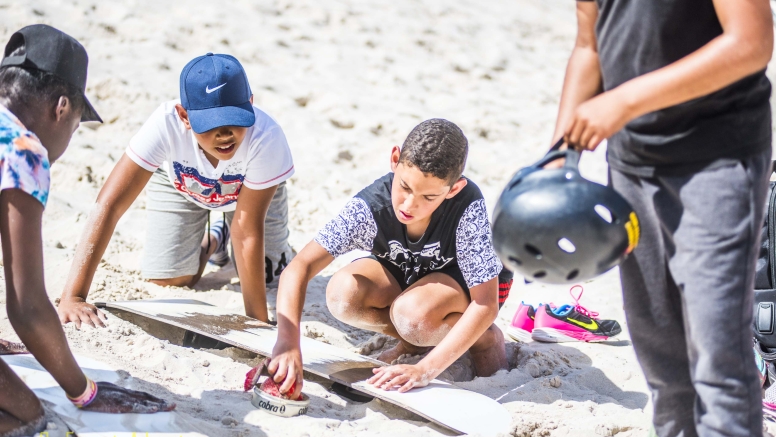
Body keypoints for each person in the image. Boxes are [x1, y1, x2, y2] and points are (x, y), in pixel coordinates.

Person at [554, 0, 773, 435]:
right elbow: (588, 45)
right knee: (665, 364)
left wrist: (624, 99)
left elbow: (752, 41)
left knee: (718, 361)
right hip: (633, 165)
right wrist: (559, 154)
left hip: (718, 160)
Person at [0, 25, 174, 437]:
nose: (66, 141)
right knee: (30, 419)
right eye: (76, 128)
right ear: (61, 108)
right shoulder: (21, 150)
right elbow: (26, 307)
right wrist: (85, 392)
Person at [269, 119, 512, 398]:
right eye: (405, 187)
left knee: (415, 316)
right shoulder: (371, 206)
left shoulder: (466, 208)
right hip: (408, 273)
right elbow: (300, 266)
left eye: (429, 197)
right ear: (395, 160)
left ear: (453, 189)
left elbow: (485, 304)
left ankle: (485, 341)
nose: (409, 206)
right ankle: (414, 341)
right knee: (344, 293)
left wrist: (425, 370)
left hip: (468, 288)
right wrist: (288, 342)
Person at [57, 52, 295, 327]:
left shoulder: (266, 136)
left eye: (234, 119)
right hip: (185, 186)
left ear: (250, 105)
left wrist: (257, 324)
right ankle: (216, 237)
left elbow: (248, 229)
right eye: (210, 124)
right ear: (184, 116)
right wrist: (73, 296)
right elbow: (110, 205)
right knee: (169, 278)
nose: (224, 133)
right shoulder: (164, 124)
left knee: (267, 279)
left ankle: (236, 231)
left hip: (250, 195)